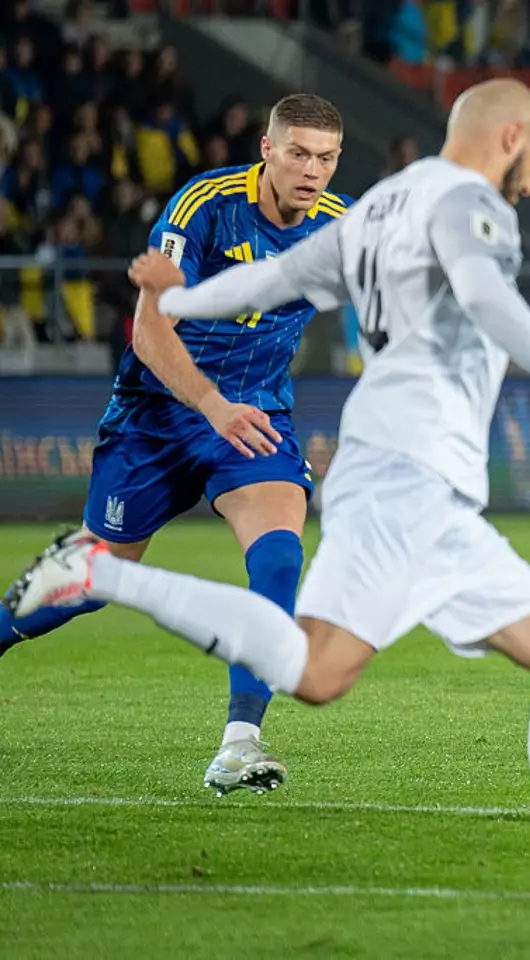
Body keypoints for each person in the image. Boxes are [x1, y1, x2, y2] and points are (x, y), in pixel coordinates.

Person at [7, 78, 530, 911]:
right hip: (381, 466)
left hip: (381, 462)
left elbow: (263, 285)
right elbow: (482, 294)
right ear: (510, 138)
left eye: (326, 156)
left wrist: (174, 292)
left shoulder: (372, 208)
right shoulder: (467, 202)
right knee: (522, 662)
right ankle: (100, 576)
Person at [0, 94, 349, 795]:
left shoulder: (344, 228)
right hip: (156, 416)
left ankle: (240, 743)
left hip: (254, 418)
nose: (313, 170)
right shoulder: (205, 206)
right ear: (267, 149)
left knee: (280, 552)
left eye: (327, 158)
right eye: (300, 153)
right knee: (93, 579)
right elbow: (149, 329)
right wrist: (210, 404)